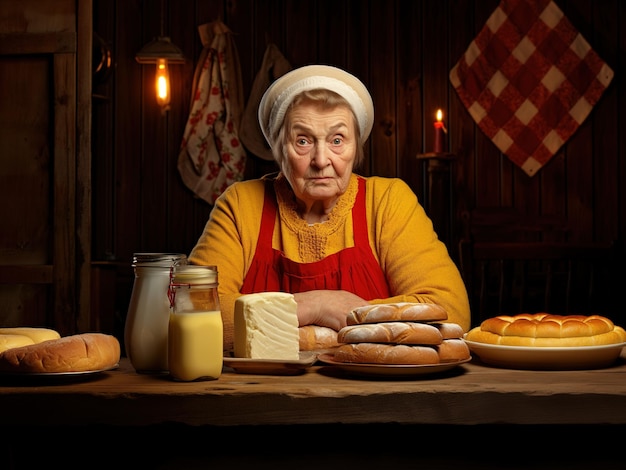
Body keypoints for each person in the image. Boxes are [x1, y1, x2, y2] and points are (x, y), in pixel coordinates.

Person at [188, 64, 471, 351]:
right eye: (303, 141)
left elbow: (450, 312)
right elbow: (193, 312)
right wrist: (316, 305)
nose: (321, 160)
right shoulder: (240, 205)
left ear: (355, 150)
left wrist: (284, 331)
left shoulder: (388, 201)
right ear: (278, 150)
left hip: (375, 393)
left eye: (337, 140)